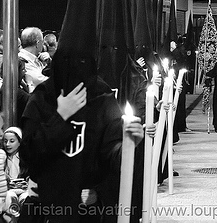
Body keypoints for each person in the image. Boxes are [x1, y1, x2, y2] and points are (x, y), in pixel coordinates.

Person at [20, 50, 144, 223]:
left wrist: (130, 145)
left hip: (87, 210)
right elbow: (29, 154)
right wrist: (61, 117)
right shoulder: (42, 97)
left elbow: (111, 154)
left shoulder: (102, 98)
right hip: (44, 210)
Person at [18, 27, 48, 91]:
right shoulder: (22, 60)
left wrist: (48, 63)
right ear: (38, 43)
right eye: (42, 42)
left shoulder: (38, 58)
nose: (43, 46)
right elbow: (42, 81)